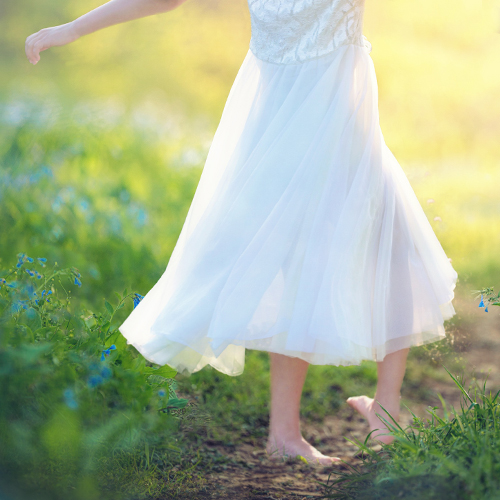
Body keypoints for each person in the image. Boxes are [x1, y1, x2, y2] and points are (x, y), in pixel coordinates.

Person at [25, 0, 458, 466]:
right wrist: (72, 28)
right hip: (298, 125)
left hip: (311, 123)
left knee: (349, 246)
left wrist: (71, 28)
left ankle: (304, 428)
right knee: (368, 245)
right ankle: (349, 416)